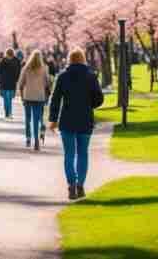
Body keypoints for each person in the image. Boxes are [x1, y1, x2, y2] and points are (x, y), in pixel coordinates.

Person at [49, 48, 104, 201]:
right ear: (83, 59)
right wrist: (89, 104)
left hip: (67, 119)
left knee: (69, 154)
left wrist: (53, 119)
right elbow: (99, 99)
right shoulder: (91, 76)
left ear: (69, 60)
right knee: (83, 153)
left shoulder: (62, 76)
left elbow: (55, 99)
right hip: (85, 119)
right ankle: (80, 185)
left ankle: (71, 185)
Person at [18, 50, 51, 150]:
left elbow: (21, 83)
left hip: (28, 96)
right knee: (37, 119)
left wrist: (22, 96)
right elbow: (47, 84)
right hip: (39, 97)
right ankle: (37, 139)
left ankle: (28, 138)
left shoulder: (26, 68)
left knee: (28, 119)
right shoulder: (44, 69)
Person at [0, 48, 22, 119]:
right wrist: (16, 79)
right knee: (9, 99)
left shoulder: (2, 61)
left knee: (6, 99)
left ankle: (7, 113)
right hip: (11, 83)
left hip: (5, 83)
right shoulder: (16, 61)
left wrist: (0, 82)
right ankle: (9, 113)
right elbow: (18, 72)